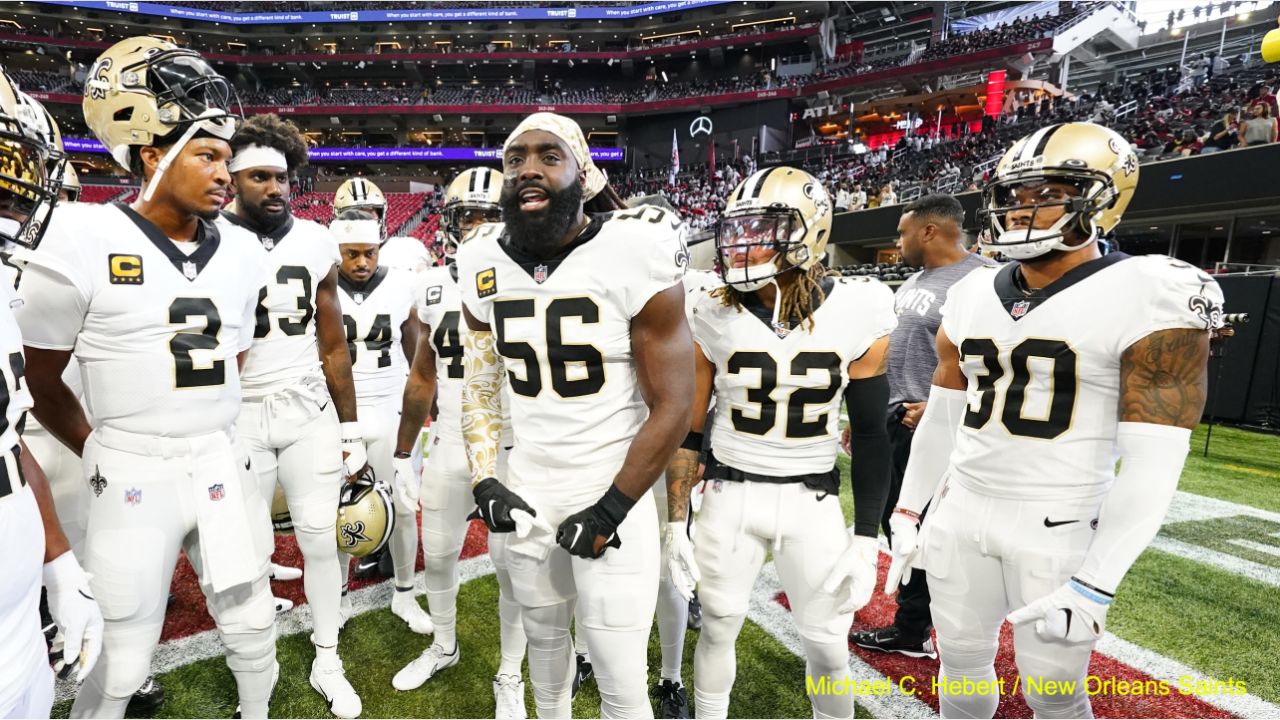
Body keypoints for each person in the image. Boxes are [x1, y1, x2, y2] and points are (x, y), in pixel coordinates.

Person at [886, 122, 1223, 719]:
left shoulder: (1151, 290)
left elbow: (1155, 458)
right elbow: (943, 415)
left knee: (1054, 692)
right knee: (960, 664)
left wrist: (1097, 580)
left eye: (1052, 190)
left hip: (1060, 521)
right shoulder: (968, 293)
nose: (1024, 210)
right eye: (1018, 195)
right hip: (961, 508)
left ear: (1103, 198)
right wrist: (910, 509)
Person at [16, 37, 278, 719]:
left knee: (253, 627)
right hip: (133, 468)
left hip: (219, 456)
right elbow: (39, 378)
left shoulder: (246, 250)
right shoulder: (81, 236)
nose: (226, 172)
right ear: (154, 155)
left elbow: (236, 357)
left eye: (229, 157)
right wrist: (102, 447)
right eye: (208, 154)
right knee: (123, 655)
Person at [455, 112, 694, 718]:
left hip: (615, 487)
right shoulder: (479, 257)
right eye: (515, 159)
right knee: (546, 666)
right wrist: (486, 478)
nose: (528, 169)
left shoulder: (633, 250)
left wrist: (612, 509)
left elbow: (674, 403)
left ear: (583, 173)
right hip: (530, 486)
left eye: (548, 156)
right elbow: (481, 382)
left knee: (620, 684)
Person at [664, 167, 894, 720]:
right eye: (739, 229)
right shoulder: (711, 310)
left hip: (811, 501)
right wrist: (676, 523)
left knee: (828, 646)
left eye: (764, 228)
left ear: (809, 231)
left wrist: (866, 540)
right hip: (728, 497)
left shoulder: (860, 306)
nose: (744, 244)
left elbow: (868, 431)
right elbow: (691, 430)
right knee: (717, 627)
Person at [216, 113, 371, 719]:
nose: (275, 188)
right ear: (232, 179)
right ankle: (259, 672)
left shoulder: (313, 240)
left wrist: (351, 426)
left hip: (308, 406)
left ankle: (327, 655)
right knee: (248, 550)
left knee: (320, 540)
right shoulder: (208, 237)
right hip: (240, 412)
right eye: (259, 177)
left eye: (281, 177)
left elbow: (333, 342)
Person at [390, 167, 531, 719]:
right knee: (441, 554)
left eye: (488, 216)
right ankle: (444, 645)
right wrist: (404, 453)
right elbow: (423, 375)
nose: (475, 227)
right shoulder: (432, 286)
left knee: (513, 565)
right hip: (450, 440)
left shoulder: (532, 281)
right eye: (465, 216)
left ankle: (510, 674)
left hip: (515, 448)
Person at [0, 67, 104, 720]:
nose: (15, 196)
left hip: (15, 637)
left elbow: (7, 441)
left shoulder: (3, 291)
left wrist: (58, 564)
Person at [848, 195, 993, 660]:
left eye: (902, 231)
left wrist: (938, 404)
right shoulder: (914, 278)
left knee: (933, 530)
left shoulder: (983, 280)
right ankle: (914, 620)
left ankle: (915, 628)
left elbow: (994, 361)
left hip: (936, 427)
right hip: (892, 420)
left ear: (929, 231)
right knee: (902, 524)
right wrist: (867, 416)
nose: (897, 240)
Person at [329, 207, 429, 629]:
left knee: (404, 507)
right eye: (352, 253)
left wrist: (426, 414)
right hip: (335, 415)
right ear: (337, 250)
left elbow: (418, 357)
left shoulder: (402, 285)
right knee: (333, 512)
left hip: (390, 409)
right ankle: (338, 598)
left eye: (370, 252)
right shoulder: (320, 284)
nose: (362, 262)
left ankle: (405, 595)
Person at [334, 177, 433, 274]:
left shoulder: (406, 248)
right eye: (353, 216)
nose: (362, 221)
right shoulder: (331, 258)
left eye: (368, 214)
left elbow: (424, 280)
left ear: (381, 216)